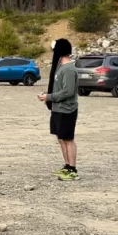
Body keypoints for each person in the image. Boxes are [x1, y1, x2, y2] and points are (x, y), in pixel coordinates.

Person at [38, 39, 78, 181]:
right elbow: (58, 88)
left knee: (68, 139)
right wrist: (48, 96)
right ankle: (67, 166)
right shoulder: (60, 67)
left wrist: (49, 97)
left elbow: (68, 92)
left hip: (67, 109)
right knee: (61, 138)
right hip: (57, 109)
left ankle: (73, 170)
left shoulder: (69, 69)